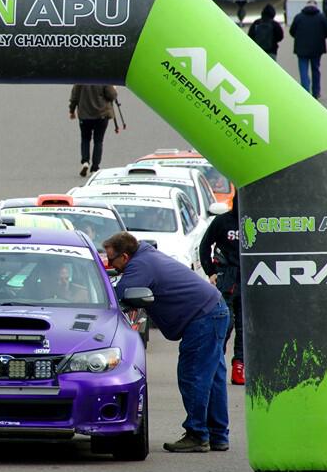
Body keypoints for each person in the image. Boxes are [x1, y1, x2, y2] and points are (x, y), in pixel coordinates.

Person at [104, 232, 229, 453]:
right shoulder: (146, 255)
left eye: (111, 260)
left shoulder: (140, 265)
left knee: (193, 375)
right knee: (212, 377)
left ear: (124, 256)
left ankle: (197, 435)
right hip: (214, 310)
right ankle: (217, 435)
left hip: (202, 317)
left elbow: (119, 296)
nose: (109, 264)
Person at [198, 193, 244, 385]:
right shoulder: (222, 221)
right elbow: (204, 246)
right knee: (226, 322)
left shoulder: (259, 220)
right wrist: (211, 272)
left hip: (251, 276)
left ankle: (239, 366)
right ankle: (216, 361)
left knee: (245, 325)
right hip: (226, 276)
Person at [69, 85, 117, 176]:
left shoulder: (81, 78)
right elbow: (112, 95)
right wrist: (113, 89)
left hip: (84, 115)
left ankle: (85, 162)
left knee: (85, 139)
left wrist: (72, 110)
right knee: (98, 141)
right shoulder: (103, 78)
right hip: (101, 115)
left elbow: (74, 97)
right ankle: (95, 167)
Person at [289, 0, 327, 99]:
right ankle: (316, 92)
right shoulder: (321, 17)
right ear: (316, 7)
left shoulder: (299, 17)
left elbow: (292, 32)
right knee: (315, 69)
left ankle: (305, 92)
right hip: (317, 48)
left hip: (301, 49)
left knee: (303, 71)